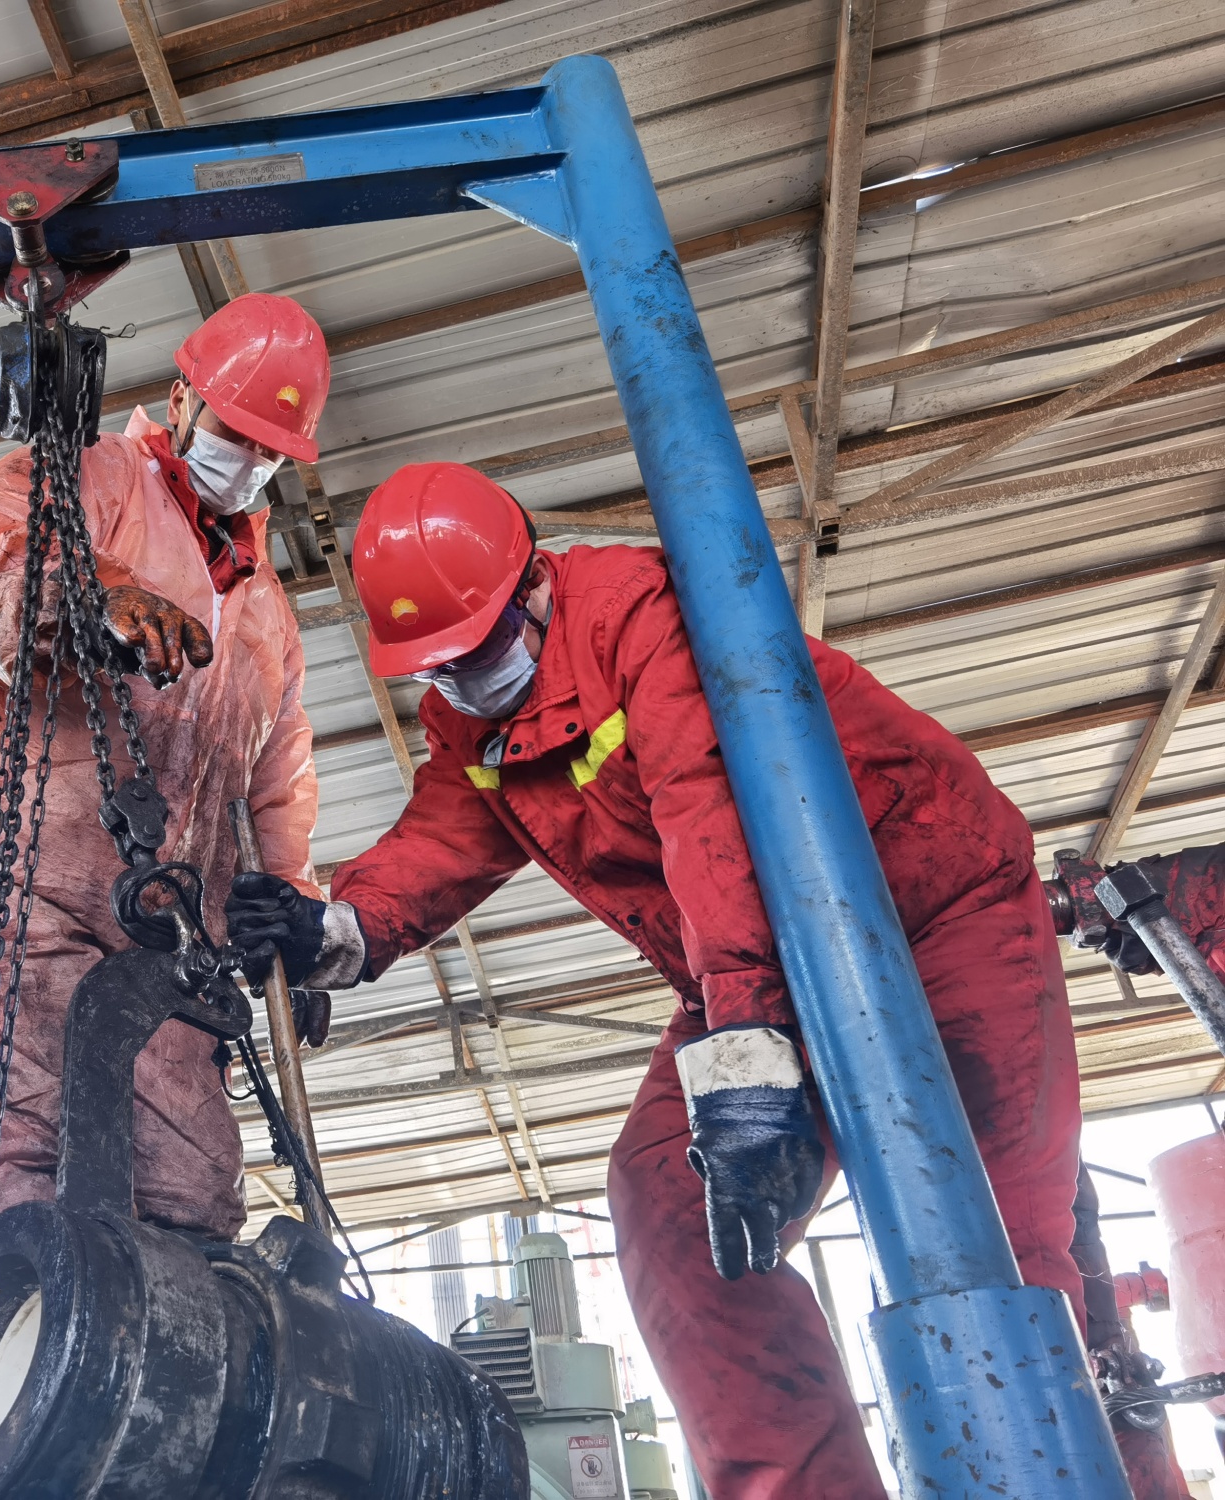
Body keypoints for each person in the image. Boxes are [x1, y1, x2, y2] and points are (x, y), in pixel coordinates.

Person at [225, 461, 1097, 1498]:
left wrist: (744, 1066)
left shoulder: (647, 623)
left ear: (534, 586)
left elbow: (711, 823)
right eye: (438, 666)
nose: (460, 681)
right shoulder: (473, 718)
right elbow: (448, 833)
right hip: (743, 969)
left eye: (480, 647)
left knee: (992, 1225)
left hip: (928, 911)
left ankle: (1041, 1476)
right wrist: (339, 926)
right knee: (669, 1210)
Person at [0, 294, 328, 1242]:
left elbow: (276, 778)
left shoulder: (268, 616)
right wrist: (91, 601)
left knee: (190, 1190)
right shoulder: (93, 481)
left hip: (169, 921)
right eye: (234, 433)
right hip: (13, 882)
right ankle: (28, 1354)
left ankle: (174, 1374)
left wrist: (290, 910)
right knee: (29, 1156)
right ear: (181, 401)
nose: (248, 463)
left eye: (269, 452)